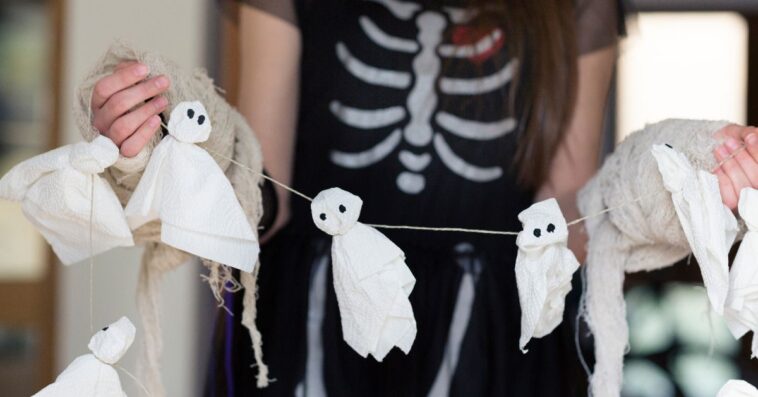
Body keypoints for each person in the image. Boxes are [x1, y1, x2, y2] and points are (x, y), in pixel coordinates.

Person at [87, 0, 758, 395]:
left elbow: (570, 215)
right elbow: (262, 193)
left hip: (499, 334)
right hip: (315, 322)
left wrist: (675, 177)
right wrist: (162, 142)